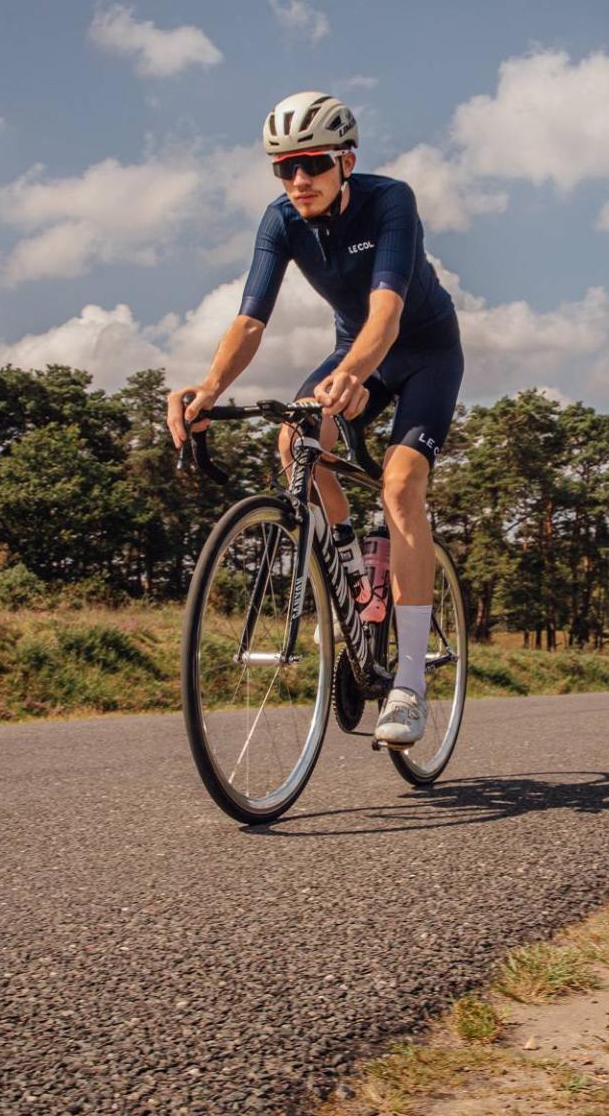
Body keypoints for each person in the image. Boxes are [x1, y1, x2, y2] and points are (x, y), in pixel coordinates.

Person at [167, 92, 464, 748]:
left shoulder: (391, 202)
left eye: (312, 164)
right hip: (355, 351)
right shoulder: (281, 221)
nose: (298, 180)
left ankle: (410, 684)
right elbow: (249, 320)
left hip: (421, 353)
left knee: (400, 485)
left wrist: (354, 374)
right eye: (284, 168)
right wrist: (210, 388)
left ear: (345, 160)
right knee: (293, 439)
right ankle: (358, 578)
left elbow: (385, 316)